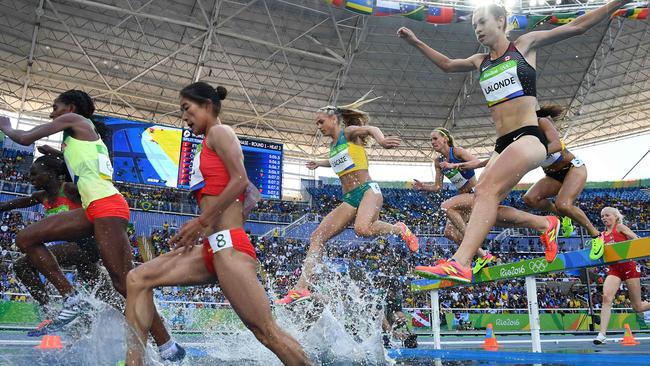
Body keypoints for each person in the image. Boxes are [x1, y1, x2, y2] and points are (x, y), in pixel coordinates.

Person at [398, 0, 633, 283]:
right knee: (482, 206)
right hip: (503, 144)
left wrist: (618, 2)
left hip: (529, 136)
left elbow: (579, 26)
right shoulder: (480, 62)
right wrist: (415, 42)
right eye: (474, 26)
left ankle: (461, 262)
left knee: (484, 191)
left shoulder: (524, 45)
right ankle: (545, 223)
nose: (477, 30)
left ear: (500, 21)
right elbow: (448, 65)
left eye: (482, 22)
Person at [124, 82, 311, 366]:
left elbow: (239, 179)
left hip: (230, 248)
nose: (184, 117)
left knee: (267, 333)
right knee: (137, 279)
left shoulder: (221, 133)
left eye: (187, 109)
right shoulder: (208, 143)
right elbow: (248, 191)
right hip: (212, 249)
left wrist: (202, 221)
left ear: (207, 106)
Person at [0, 90, 184, 361]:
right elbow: (86, 167)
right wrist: (57, 153)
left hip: (107, 206)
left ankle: (167, 344)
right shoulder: (80, 137)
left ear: (71, 107)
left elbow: (25, 137)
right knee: (25, 239)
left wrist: (5, 125)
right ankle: (70, 296)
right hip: (92, 208)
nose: (52, 113)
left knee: (124, 283)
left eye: (55, 107)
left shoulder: (75, 119)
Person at [276, 93, 419, 305]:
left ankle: (399, 228)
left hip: (368, 190)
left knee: (362, 229)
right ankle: (301, 288)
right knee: (317, 236)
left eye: (321, 121)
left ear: (334, 119)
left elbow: (370, 129)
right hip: (350, 198)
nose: (319, 126)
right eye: (317, 123)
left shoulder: (349, 133)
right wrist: (319, 163)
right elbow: (336, 160)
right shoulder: (333, 147)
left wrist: (381, 140)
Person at [0, 155, 111, 313]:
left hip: (87, 247)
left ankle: (63, 304)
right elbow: (9, 204)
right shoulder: (41, 196)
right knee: (108, 297)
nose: (30, 178)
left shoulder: (69, 189)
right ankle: (53, 311)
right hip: (70, 250)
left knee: (22, 263)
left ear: (51, 173)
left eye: (34, 174)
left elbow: (98, 192)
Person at [522, 105, 604, 259]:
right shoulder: (519, 136)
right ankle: (563, 216)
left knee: (564, 204)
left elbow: (557, 145)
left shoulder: (541, 122)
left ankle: (596, 235)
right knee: (529, 199)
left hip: (572, 168)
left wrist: (533, 154)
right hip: (553, 175)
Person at [413, 127, 494, 273]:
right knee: (449, 232)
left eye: (435, 138)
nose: (432, 142)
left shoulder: (457, 152)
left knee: (446, 207)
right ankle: (483, 255)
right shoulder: (438, 162)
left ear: (445, 139)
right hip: (464, 199)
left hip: (476, 194)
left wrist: (455, 165)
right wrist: (423, 186)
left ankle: (472, 240)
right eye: (430, 140)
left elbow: (477, 162)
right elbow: (438, 187)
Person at [593, 207, 650, 344]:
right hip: (614, 269)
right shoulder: (601, 235)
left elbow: (636, 239)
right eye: (602, 216)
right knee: (606, 298)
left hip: (629, 267)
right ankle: (601, 334)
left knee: (638, 307)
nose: (604, 218)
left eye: (607, 215)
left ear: (616, 216)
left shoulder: (620, 227)